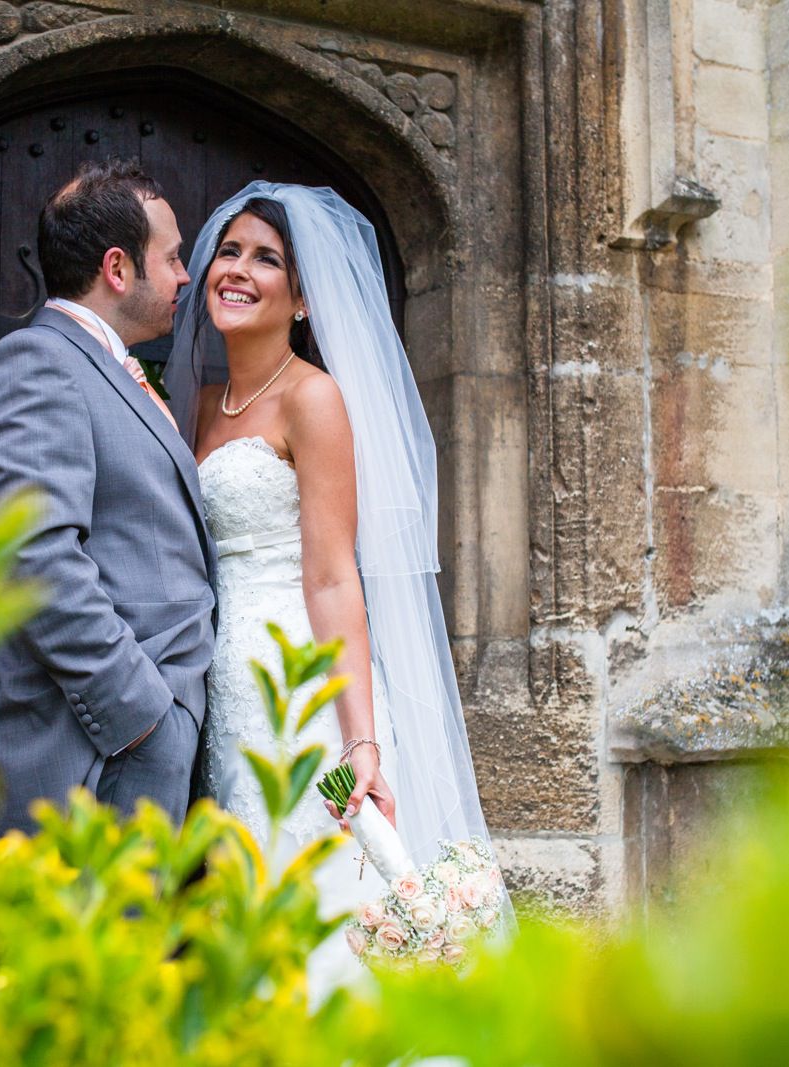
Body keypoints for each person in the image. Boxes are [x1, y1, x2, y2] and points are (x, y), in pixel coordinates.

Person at [167, 183, 514, 995]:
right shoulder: (197, 405)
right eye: (230, 251)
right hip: (224, 681)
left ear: (303, 299)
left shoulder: (314, 399)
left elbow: (330, 576)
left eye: (267, 258)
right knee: (249, 878)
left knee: (321, 876)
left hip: (305, 684)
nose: (238, 269)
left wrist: (362, 741)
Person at [0, 159, 214, 835]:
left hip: (135, 754)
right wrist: (143, 719)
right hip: (87, 759)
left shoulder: (110, 371)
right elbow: (35, 558)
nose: (186, 277)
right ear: (117, 268)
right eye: (172, 258)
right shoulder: (37, 363)